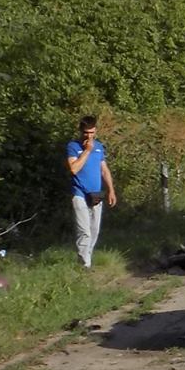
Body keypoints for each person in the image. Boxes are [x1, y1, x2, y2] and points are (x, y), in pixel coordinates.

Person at [65, 115, 118, 269]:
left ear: (96, 131)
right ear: (81, 131)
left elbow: (104, 170)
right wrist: (86, 151)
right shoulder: (73, 147)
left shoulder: (99, 147)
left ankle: (88, 259)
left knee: (94, 231)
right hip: (79, 193)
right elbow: (74, 169)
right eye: (86, 133)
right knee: (84, 231)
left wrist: (111, 191)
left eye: (92, 132)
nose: (89, 136)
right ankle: (84, 266)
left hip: (96, 195)